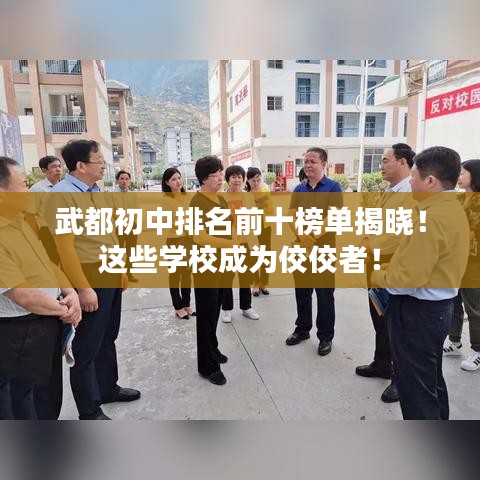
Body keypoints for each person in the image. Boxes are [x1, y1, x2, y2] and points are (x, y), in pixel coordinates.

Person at [372, 146, 470, 420]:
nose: (411, 181)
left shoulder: (431, 218)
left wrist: (379, 276)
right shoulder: (449, 208)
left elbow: (407, 280)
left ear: (430, 181)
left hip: (417, 313)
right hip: (437, 309)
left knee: (416, 392)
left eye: (414, 175)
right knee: (430, 381)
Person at [47, 140, 140, 420]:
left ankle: (107, 387)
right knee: (86, 346)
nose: (103, 165)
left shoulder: (95, 191)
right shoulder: (62, 196)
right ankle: (89, 411)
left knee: (108, 334)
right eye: (99, 160)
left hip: (109, 270)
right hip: (89, 274)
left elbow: (108, 234)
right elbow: (64, 250)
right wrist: (84, 289)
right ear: (81, 165)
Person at [0, 156, 81, 420]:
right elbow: (22, 294)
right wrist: (65, 310)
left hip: (45, 319)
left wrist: (70, 293)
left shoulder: (20, 221)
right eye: (24, 185)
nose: (29, 191)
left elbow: (48, 263)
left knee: (47, 394)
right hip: (18, 331)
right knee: (21, 400)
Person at [356, 143, 416, 404]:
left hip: (392, 262)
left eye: (385, 160)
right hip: (375, 261)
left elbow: (399, 232)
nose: (381, 165)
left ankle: (400, 379)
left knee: (396, 324)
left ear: (402, 162)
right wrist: (364, 240)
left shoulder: (411, 192)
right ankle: (381, 363)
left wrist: (369, 247)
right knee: (378, 315)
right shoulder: (390, 190)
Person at [286, 147, 342, 356]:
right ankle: (302, 329)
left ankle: (325, 336)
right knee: (302, 291)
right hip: (300, 247)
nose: (308, 165)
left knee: (324, 293)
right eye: (306, 161)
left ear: (324, 164)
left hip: (324, 248)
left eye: (313, 161)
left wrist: (313, 236)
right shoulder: (299, 189)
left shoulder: (333, 187)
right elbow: (291, 216)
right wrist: (302, 236)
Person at [190, 155, 238, 386]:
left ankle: (213, 348)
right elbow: (198, 237)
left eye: (221, 174)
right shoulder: (197, 202)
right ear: (203, 179)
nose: (221, 178)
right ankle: (207, 366)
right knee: (206, 314)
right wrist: (229, 244)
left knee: (215, 309)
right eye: (216, 175)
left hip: (222, 262)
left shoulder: (219, 199)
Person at [443, 159, 480, 371]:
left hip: (474, 262)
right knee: (453, 300)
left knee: (474, 306)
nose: (459, 176)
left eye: (463, 172)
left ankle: (478, 349)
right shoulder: (458, 199)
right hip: (455, 259)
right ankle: (454, 340)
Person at [220, 165, 259, 323]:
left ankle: (246, 307)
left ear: (243, 180)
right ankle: (226, 309)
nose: (237, 180)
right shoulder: (221, 197)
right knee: (227, 277)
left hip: (245, 242)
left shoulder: (248, 197)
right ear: (227, 179)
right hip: (228, 243)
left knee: (245, 276)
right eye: (233, 177)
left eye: (239, 177)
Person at [161, 167, 195, 320]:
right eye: (173, 179)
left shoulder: (188, 197)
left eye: (179, 178)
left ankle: (187, 304)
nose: (178, 181)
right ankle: (178, 306)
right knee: (175, 275)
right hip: (174, 241)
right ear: (167, 183)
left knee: (187, 273)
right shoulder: (166, 200)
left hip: (189, 239)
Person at [25, 155, 64, 265]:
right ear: (44, 170)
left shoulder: (65, 187)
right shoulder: (37, 189)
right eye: (53, 167)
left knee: (67, 262)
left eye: (59, 166)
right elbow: (30, 214)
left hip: (65, 229)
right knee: (52, 263)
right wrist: (36, 237)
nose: (58, 169)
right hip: (48, 232)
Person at [246, 167, 273, 296]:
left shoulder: (265, 191)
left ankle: (263, 284)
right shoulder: (246, 194)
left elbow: (271, 210)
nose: (256, 183)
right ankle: (255, 284)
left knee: (266, 255)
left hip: (265, 226)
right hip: (252, 228)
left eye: (258, 180)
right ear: (248, 180)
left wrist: (258, 206)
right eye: (253, 180)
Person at [114, 170, 139, 283]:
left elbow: (136, 211)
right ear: (117, 180)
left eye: (127, 179)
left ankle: (129, 273)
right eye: (122, 179)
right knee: (118, 251)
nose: (124, 181)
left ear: (129, 181)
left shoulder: (133, 195)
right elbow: (111, 211)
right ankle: (118, 275)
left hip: (131, 226)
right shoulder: (112, 195)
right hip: (118, 226)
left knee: (131, 251)